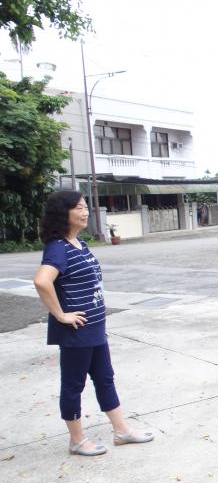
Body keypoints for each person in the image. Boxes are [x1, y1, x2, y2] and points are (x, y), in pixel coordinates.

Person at [33, 191, 154, 456]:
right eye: (78, 208)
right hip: (77, 332)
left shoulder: (79, 243)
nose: (85, 211)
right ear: (63, 213)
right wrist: (61, 314)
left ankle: (121, 430)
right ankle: (76, 440)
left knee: (105, 378)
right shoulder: (58, 247)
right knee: (74, 384)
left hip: (95, 327)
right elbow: (42, 281)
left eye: (86, 206)